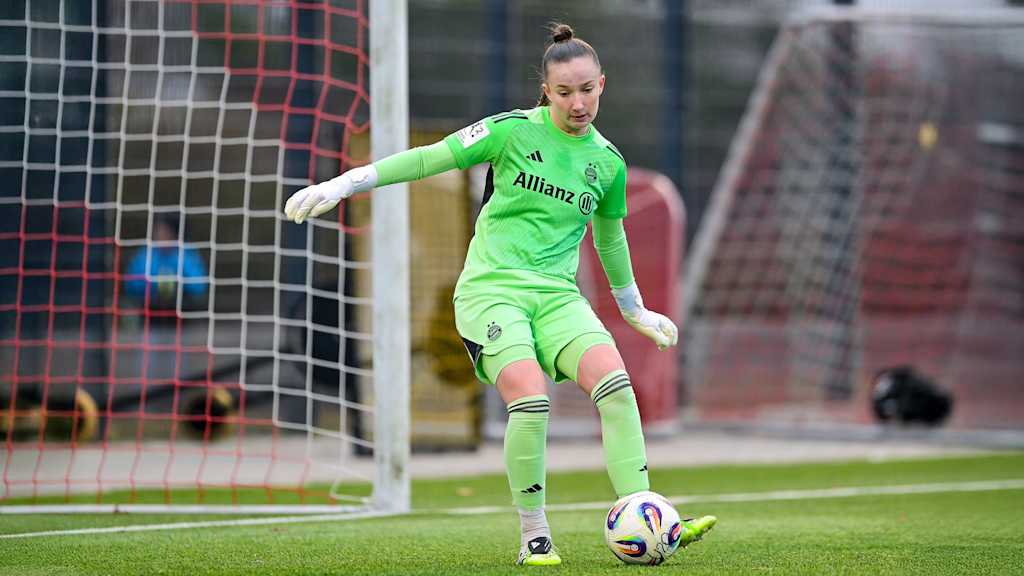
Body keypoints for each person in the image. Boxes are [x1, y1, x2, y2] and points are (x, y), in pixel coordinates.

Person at [284, 23, 715, 566]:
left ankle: (648, 516)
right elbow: (427, 159)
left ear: (602, 84)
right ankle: (534, 535)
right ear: (546, 91)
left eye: (586, 89)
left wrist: (634, 309)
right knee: (530, 399)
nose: (577, 102)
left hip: (557, 298)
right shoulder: (511, 132)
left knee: (616, 386)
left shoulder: (607, 163)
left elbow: (610, 238)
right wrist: (345, 183)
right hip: (491, 292)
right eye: (564, 92)